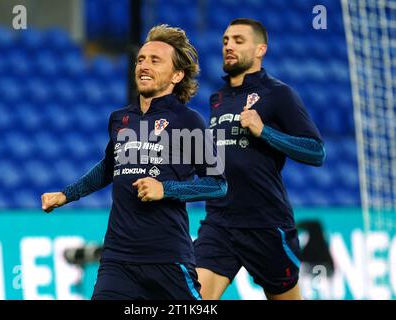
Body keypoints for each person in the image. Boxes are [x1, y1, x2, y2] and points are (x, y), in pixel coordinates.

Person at [41, 24, 227, 300]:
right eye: (141, 59)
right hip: (118, 259)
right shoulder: (120, 119)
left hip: (167, 257)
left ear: (177, 75)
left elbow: (217, 185)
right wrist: (66, 195)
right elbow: (108, 166)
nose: (144, 65)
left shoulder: (189, 121)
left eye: (155, 60)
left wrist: (166, 189)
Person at [194, 18, 326, 300]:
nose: (228, 46)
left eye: (238, 41)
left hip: (265, 225)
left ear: (260, 49)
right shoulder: (217, 98)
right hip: (219, 223)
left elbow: (316, 152)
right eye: (226, 41)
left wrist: (264, 131)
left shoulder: (278, 94)